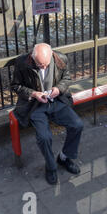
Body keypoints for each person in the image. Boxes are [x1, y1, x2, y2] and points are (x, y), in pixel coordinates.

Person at [11, 43, 83, 185]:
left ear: (51, 56)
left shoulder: (60, 58)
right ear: (32, 57)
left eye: (46, 64)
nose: (43, 67)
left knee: (77, 125)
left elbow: (67, 79)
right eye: (39, 64)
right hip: (35, 106)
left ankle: (64, 158)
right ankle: (50, 167)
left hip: (57, 101)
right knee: (44, 137)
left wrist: (58, 89)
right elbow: (15, 86)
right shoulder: (22, 62)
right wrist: (33, 93)